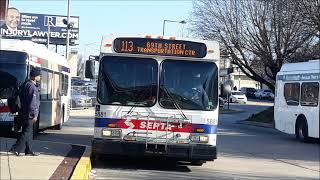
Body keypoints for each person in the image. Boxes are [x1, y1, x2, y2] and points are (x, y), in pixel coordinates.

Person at [9, 68, 41, 156]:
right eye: (39, 75)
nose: (40, 77)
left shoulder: (25, 84)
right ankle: (15, 148)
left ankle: (29, 150)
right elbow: (32, 102)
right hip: (29, 114)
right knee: (26, 132)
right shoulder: (32, 87)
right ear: (34, 77)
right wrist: (34, 114)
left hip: (22, 112)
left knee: (29, 132)